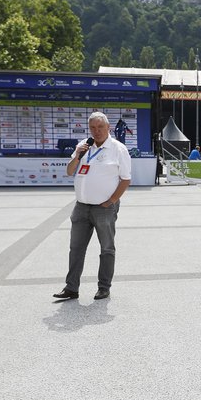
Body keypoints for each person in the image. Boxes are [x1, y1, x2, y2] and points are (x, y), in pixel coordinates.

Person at [53, 111, 132, 301]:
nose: (96, 131)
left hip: (104, 208)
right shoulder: (83, 146)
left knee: (106, 248)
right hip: (81, 207)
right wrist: (78, 155)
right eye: (93, 128)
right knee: (76, 249)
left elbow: (126, 179)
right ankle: (71, 288)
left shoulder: (118, 149)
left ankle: (104, 287)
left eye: (100, 127)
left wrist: (111, 201)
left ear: (108, 128)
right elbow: (70, 171)